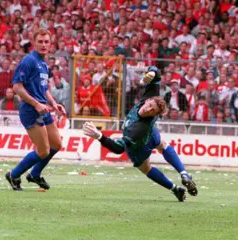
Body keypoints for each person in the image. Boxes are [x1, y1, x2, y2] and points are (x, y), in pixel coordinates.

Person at [83, 66, 197, 202]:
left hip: (139, 147)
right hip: (151, 134)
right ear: (148, 100)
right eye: (150, 105)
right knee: (162, 144)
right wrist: (152, 72)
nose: (148, 109)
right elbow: (158, 75)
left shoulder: (137, 128)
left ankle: (175, 189)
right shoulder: (151, 97)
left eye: (152, 111)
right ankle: (184, 173)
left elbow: (118, 149)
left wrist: (99, 136)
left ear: (154, 115)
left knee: (146, 168)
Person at [5, 29, 66, 191]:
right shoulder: (29, 60)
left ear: (50, 44)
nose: (44, 44)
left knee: (56, 144)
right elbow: (17, 87)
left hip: (43, 109)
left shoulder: (44, 63)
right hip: (31, 110)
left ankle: (35, 174)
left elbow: (44, 88)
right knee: (43, 151)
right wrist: (36, 104)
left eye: (46, 42)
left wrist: (53, 103)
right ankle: (14, 174)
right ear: (34, 42)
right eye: (40, 41)